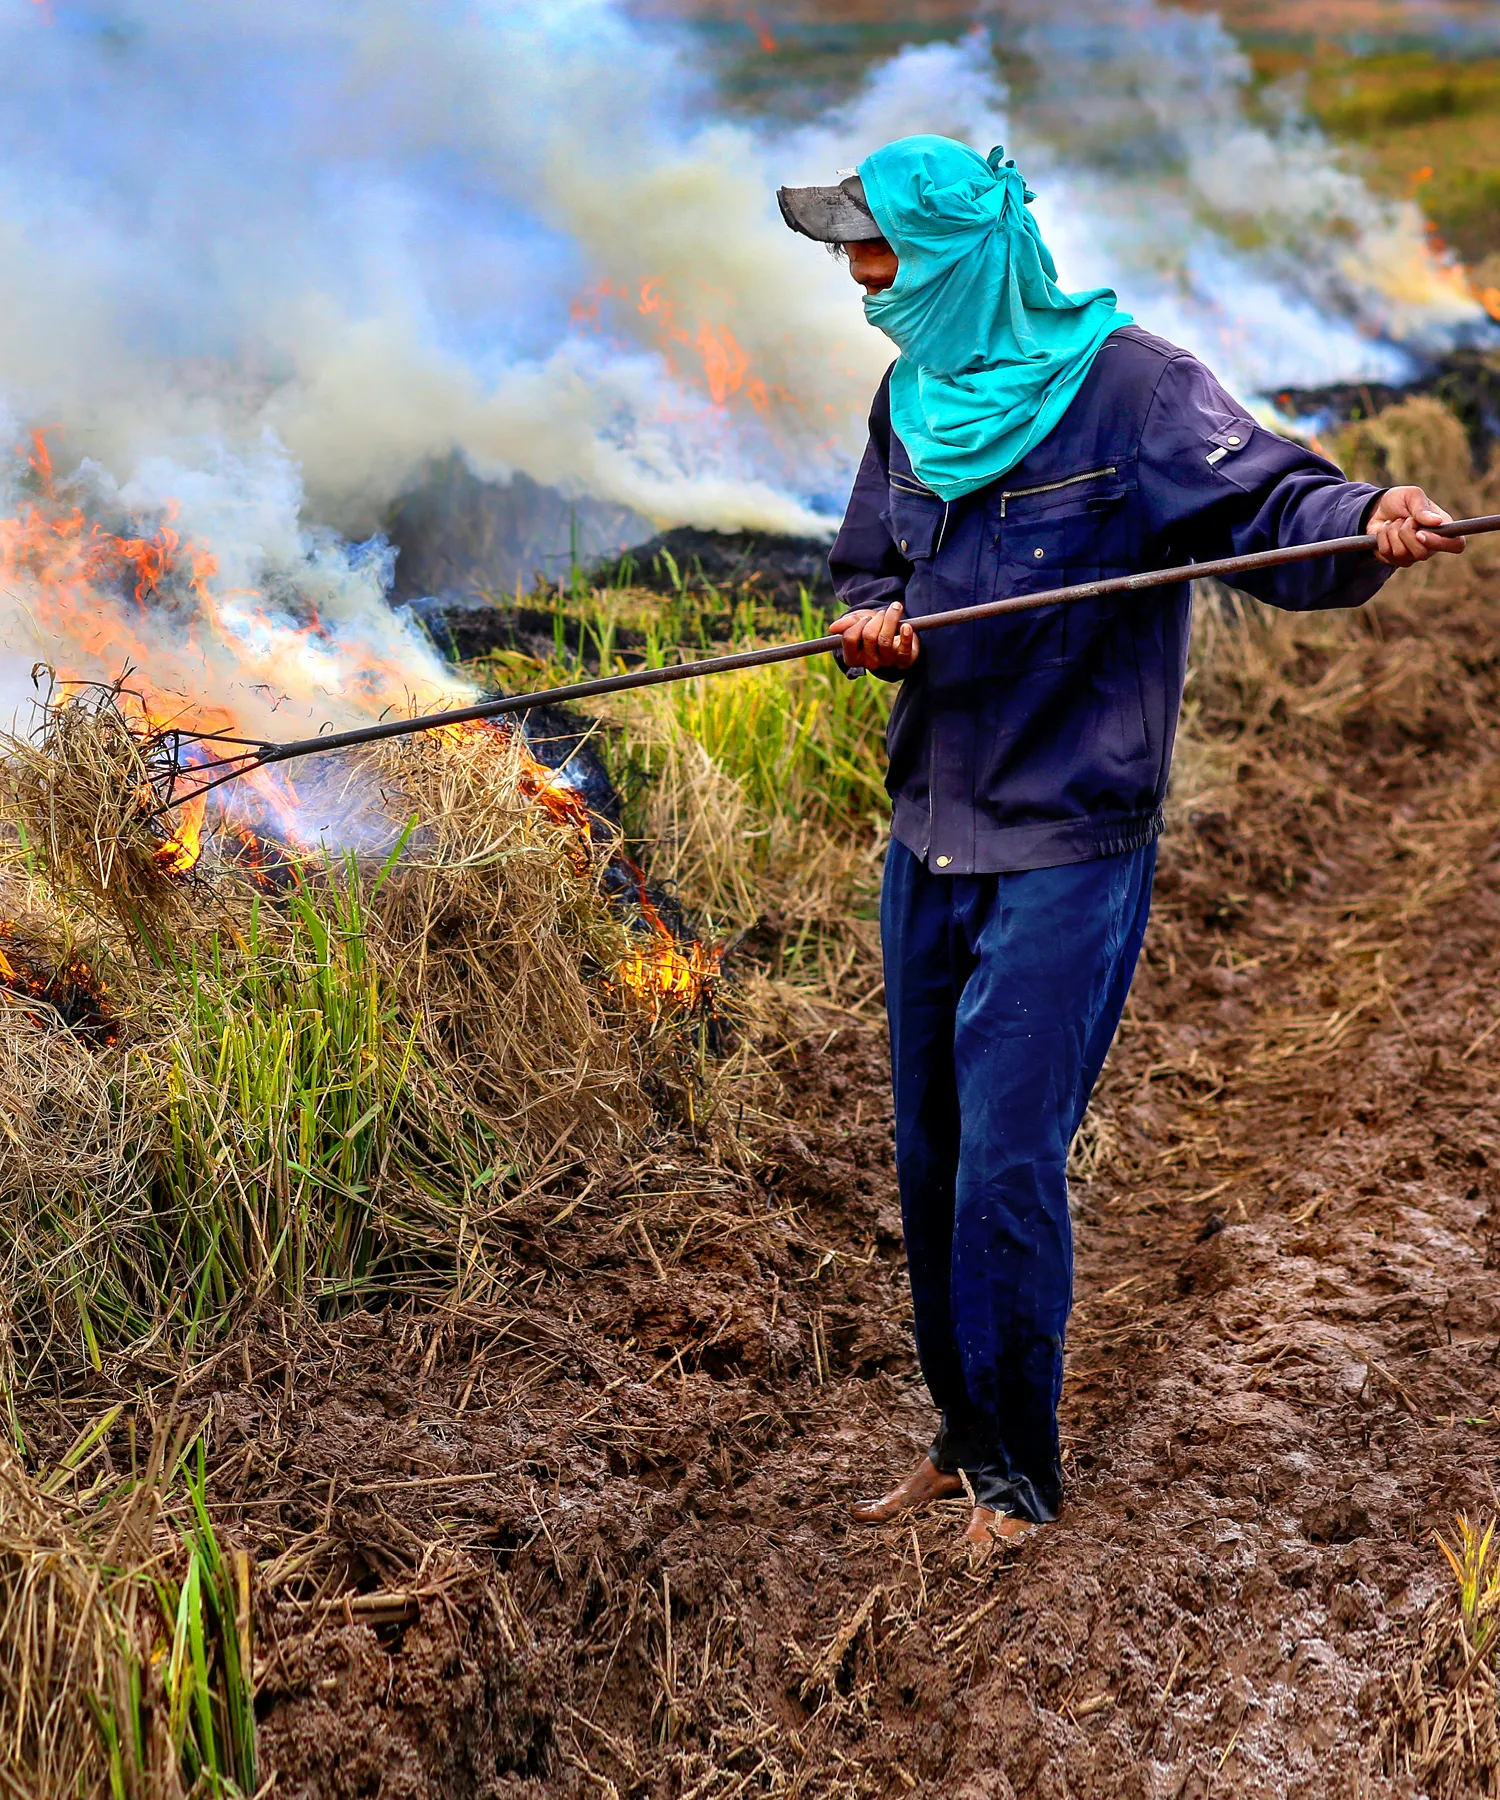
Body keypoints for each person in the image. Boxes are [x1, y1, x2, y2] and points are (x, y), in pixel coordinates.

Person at [777, 136, 1466, 1549]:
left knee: (1007, 1157)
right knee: (929, 1152)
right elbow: (866, 562)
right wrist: (871, 626)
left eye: (880, 249)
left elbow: (1274, 500)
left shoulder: (1134, 392)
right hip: (934, 834)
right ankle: (959, 1437)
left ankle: (1019, 1477)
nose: (860, 276)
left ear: (961, 257)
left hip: (1067, 838)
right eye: (851, 248)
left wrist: (1366, 518)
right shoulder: (909, 402)